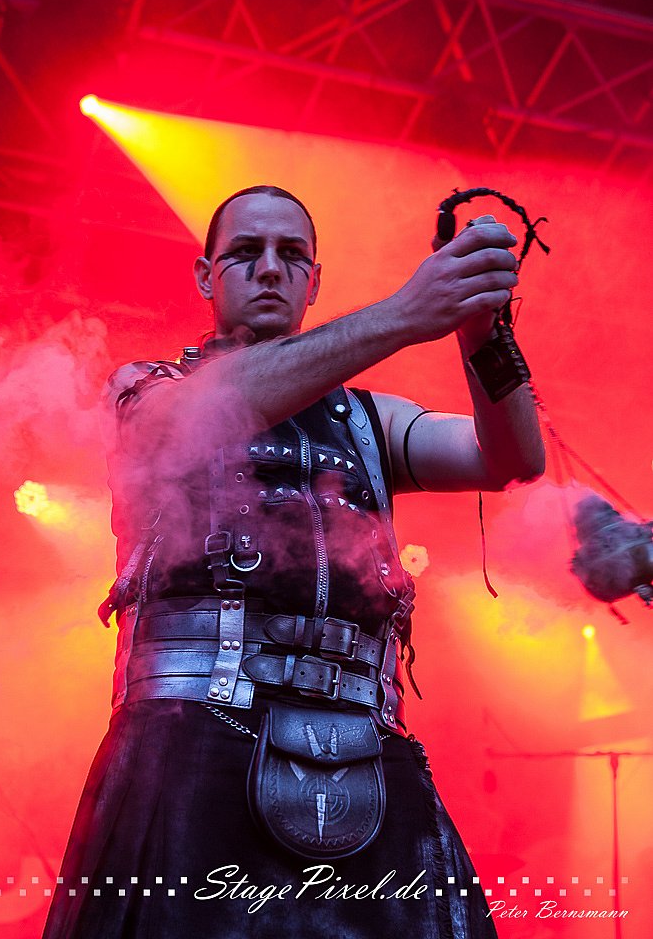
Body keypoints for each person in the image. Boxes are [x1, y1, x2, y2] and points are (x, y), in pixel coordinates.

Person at [42, 185, 544, 939]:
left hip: (367, 753)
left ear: (314, 281)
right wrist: (409, 311)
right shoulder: (147, 388)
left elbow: (510, 459)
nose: (271, 269)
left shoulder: (372, 419)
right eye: (246, 252)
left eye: (292, 255)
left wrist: (479, 329)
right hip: (190, 747)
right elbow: (201, 418)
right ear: (205, 277)